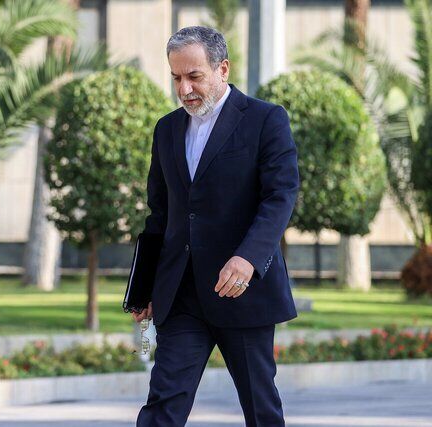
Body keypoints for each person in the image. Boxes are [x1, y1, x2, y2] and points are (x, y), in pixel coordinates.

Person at [130, 26, 300, 427]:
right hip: (182, 293)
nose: (184, 89)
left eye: (194, 76)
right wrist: (144, 287)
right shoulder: (167, 128)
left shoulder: (265, 119)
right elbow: (161, 213)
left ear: (222, 69)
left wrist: (248, 258)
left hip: (241, 289)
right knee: (163, 402)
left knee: (260, 407)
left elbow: (280, 195)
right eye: (176, 78)